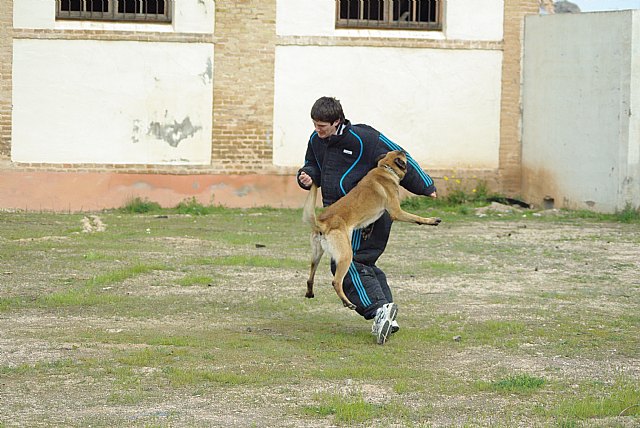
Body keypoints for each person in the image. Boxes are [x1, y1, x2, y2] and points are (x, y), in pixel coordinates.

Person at [297, 96, 437, 345]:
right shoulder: (315, 140)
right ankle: (386, 311)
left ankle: (378, 311)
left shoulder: (365, 137)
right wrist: (306, 175)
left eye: (322, 126)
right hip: (338, 213)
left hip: (368, 215)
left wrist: (425, 185)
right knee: (365, 264)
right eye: (314, 124)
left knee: (351, 263)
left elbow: (402, 156)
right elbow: (312, 165)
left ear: (337, 121)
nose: (317, 130)